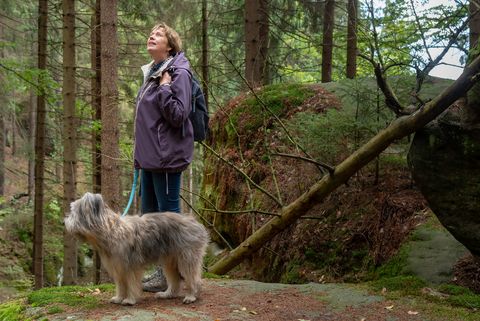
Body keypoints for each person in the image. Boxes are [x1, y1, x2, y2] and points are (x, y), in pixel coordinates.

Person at [134, 22, 194, 292]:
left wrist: (166, 87)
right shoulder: (153, 73)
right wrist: (138, 158)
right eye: (151, 33)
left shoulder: (177, 73)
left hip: (167, 158)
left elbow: (179, 115)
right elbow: (146, 121)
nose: (151, 36)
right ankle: (162, 273)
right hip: (149, 160)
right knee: (149, 218)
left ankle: (177, 274)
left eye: (157, 35)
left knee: (168, 218)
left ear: (169, 45)